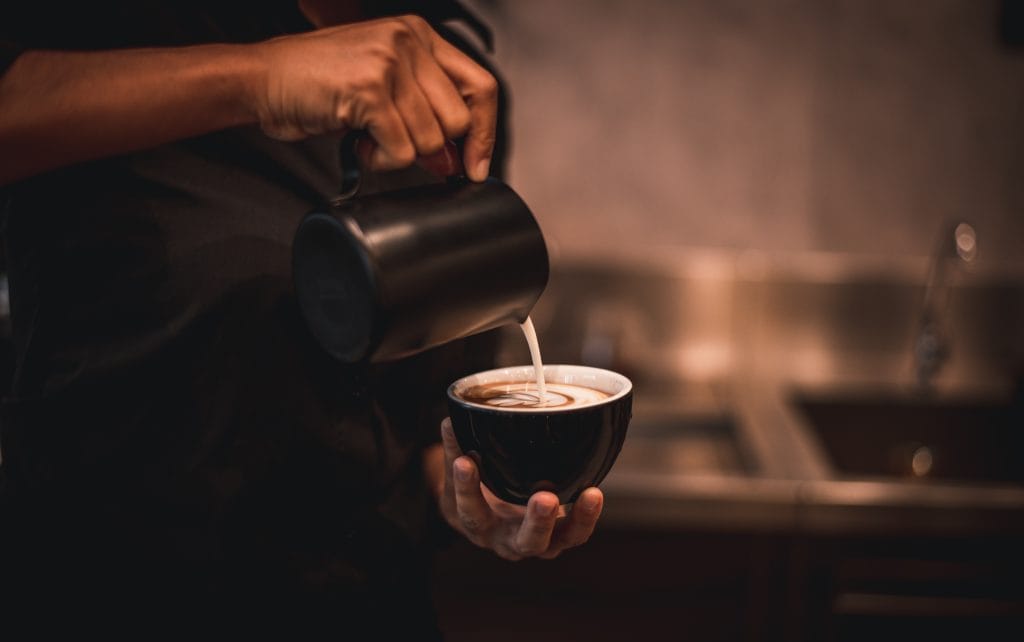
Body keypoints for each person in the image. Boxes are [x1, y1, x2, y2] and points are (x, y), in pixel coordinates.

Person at [0, 0, 604, 636]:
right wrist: (258, 77)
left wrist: (474, 499)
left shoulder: (447, 78)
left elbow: (420, 425)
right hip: (108, 600)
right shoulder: (105, 27)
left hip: (365, 606)